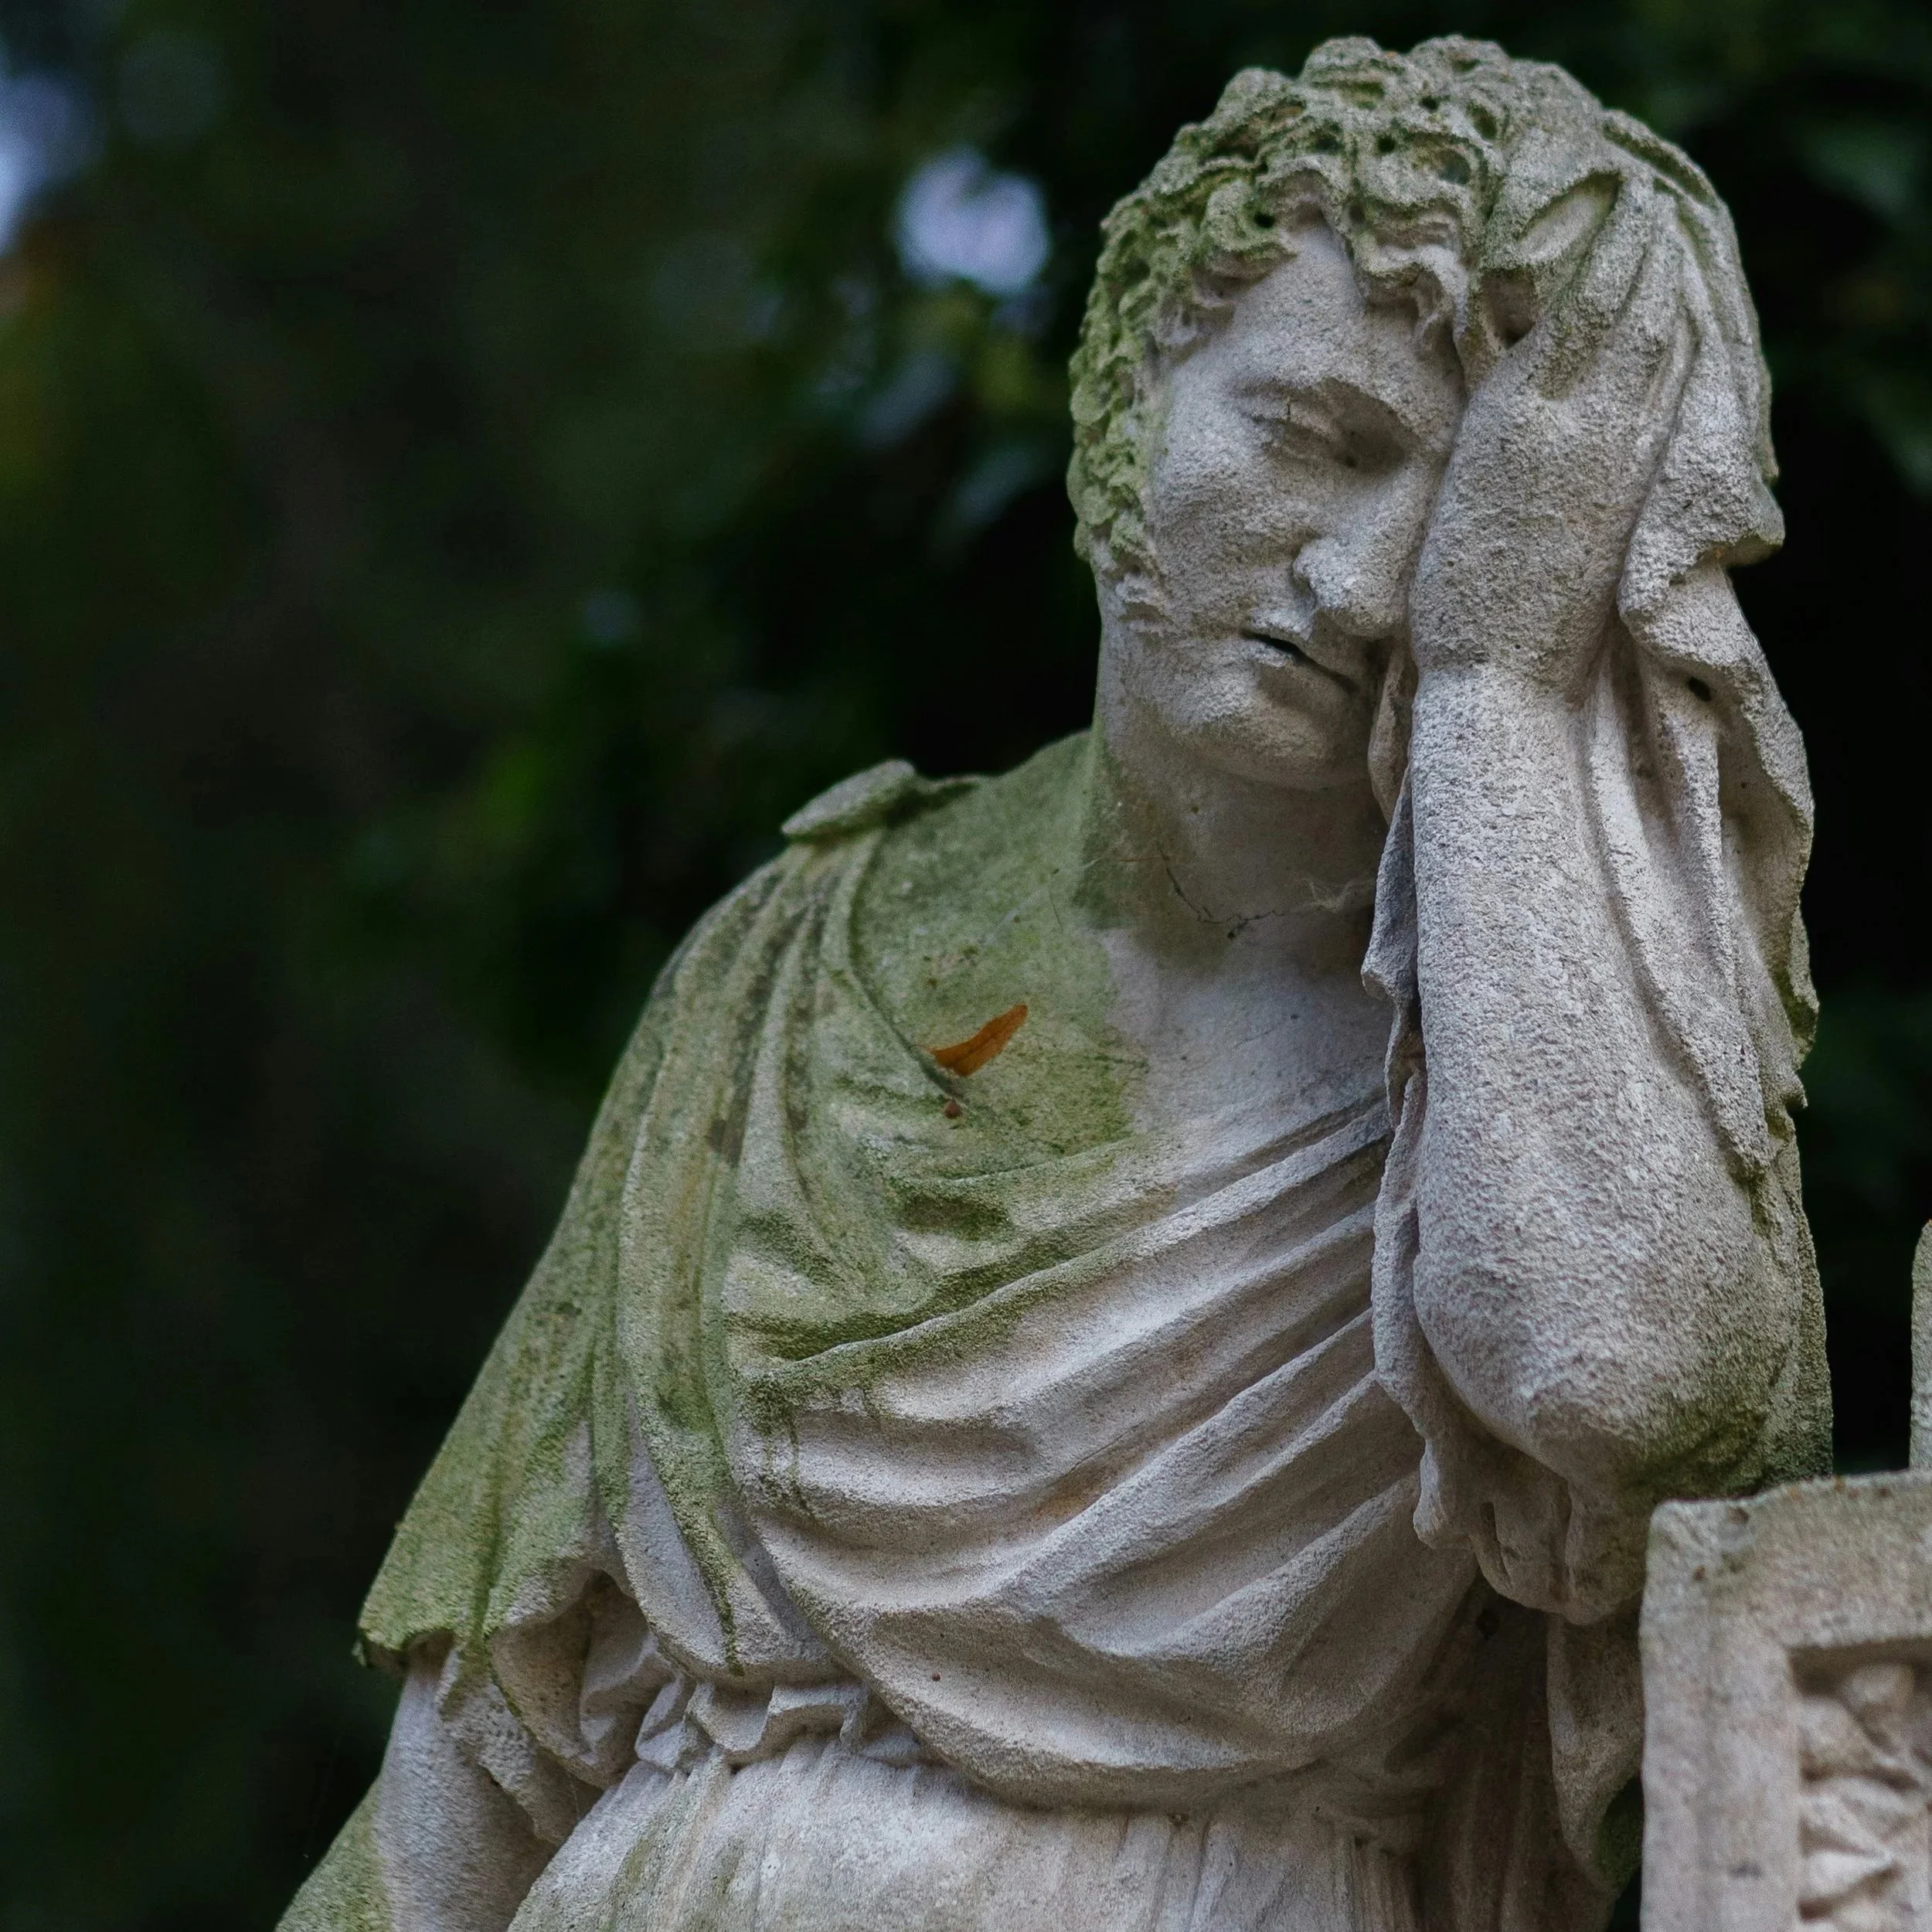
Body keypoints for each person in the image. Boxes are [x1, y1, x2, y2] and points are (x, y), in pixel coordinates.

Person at [281, 36, 1828, 1932]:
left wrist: (1499, 682)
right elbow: (487, 1751)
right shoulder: (786, 960)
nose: (1362, 584)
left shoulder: (1530, 1040)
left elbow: (1616, 1386)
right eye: (1317, 438)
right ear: (1125, 397)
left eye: (1459, 523)